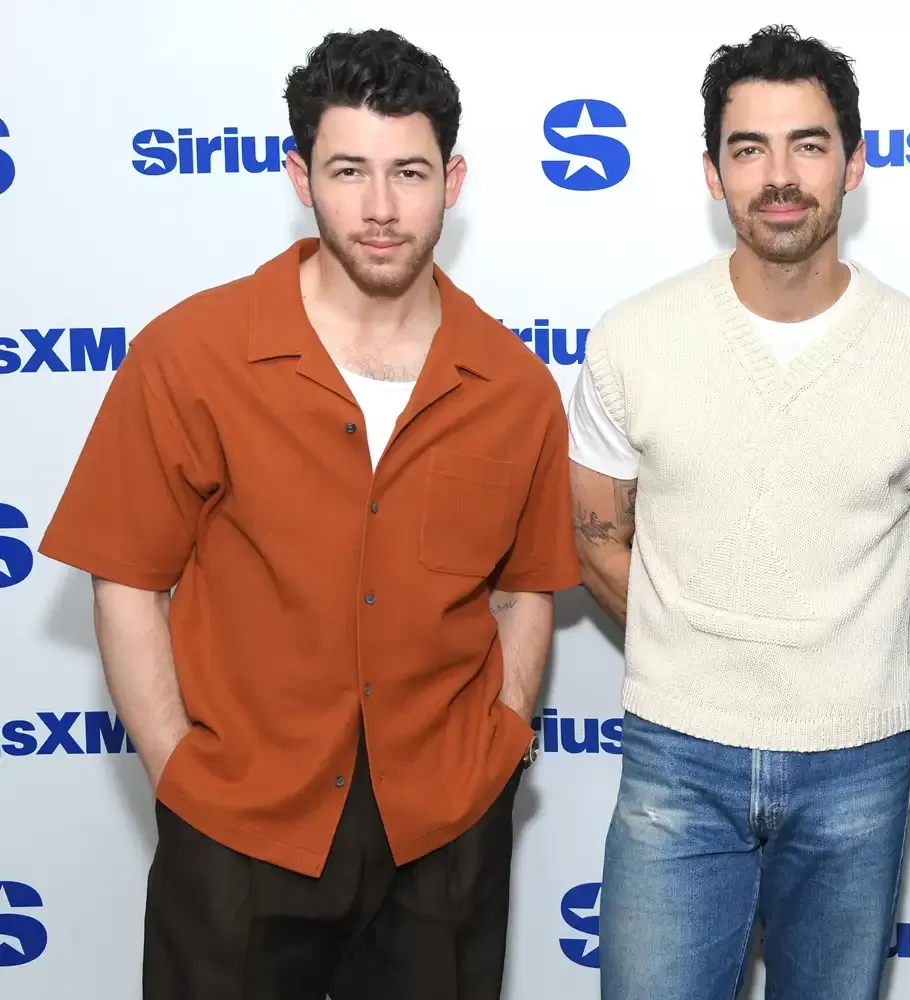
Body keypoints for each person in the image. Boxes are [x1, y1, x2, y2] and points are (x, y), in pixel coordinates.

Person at [38, 28, 578, 1000]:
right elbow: (126, 579)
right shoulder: (190, 355)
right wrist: (181, 774)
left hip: (446, 830)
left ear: (453, 181)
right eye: (348, 170)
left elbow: (525, 591)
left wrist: (499, 738)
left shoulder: (515, 386)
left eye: (409, 172)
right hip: (241, 827)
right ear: (299, 175)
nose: (380, 208)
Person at [566, 24, 910, 1000]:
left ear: (856, 161)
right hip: (677, 754)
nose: (780, 175)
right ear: (713, 175)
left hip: (859, 761)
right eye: (748, 148)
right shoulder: (635, 339)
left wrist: (830, 659)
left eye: (807, 143)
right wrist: (703, 651)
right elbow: (597, 539)